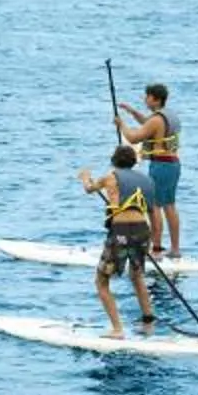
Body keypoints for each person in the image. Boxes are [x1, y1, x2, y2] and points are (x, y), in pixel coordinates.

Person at [78, 143, 158, 339]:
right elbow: (154, 215)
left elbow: (89, 189)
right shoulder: (147, 181)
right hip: (142, 231)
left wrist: (85, 177)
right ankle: (149, 323)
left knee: (102, 281)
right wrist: (155, 243)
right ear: (133, 162)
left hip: (121, 232)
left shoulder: (110, 177)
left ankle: (117, 329)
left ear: (114, 161)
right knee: (137, 276)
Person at [116, 82, 182, 258]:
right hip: (173, 164)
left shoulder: (156, 120)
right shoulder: (169, 116)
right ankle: (175, 249)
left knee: (154, 208)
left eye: (148, 97)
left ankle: (156, 249)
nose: (145, 100)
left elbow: (133, 138)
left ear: (156, 99)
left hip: (160, 166)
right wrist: (131, 112)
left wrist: (121, 124)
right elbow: (147, 122)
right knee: (170, 206)